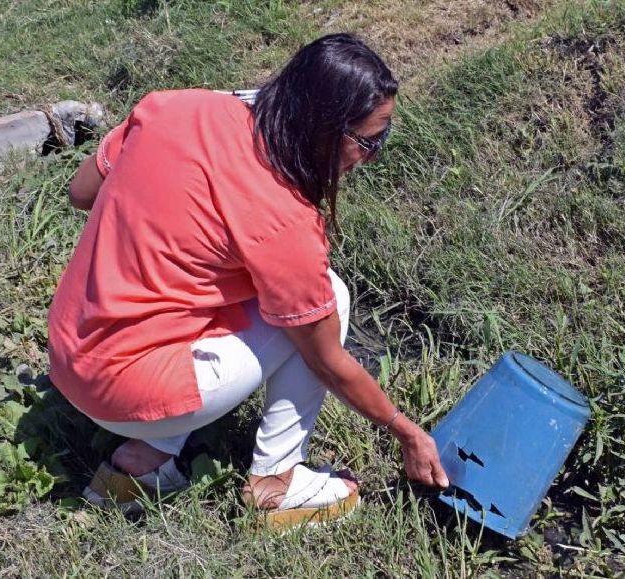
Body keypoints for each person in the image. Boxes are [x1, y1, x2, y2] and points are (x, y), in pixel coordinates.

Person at [47, 33, 449, 528]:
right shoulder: (284, 221)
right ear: (323, 129)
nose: (372, 156)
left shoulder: (176, 106)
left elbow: (82, 192)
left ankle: (138, 468)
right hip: (124, 388)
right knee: (331, 298)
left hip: (68, 351)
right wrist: (406, 431)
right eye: (370, 141)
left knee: (236, 292)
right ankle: (276, 483)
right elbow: (326, 362)